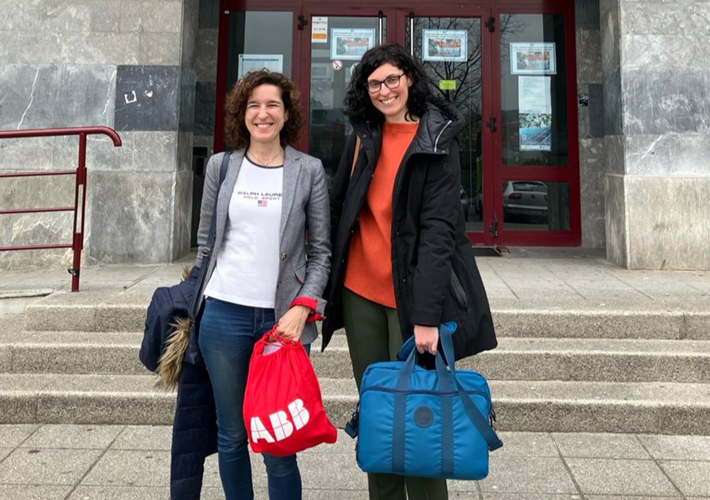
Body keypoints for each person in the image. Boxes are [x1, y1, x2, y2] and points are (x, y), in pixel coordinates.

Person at [322, 42, 497, 500]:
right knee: (379, 415)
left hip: (411, 299)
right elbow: (339, 208)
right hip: (360, 292)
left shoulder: (436, 140)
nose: (384, 91)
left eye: (392, 80)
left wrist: (426, 317)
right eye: (374, 83)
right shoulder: (364, 137)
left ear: (410, 80)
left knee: (422, 417)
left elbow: (440, 235)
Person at [189, 70, 330, 500]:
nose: (262, 113)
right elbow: (205, 243)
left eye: (272, 105)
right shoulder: (222, 165)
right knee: (231, 436)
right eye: (254, 105)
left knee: (277, 442)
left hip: (282, 323)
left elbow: (321, 251)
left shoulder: (309, 170)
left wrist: (303, 307)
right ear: (242, 113)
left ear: (286, 114)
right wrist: (197, 300)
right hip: (224, 314)